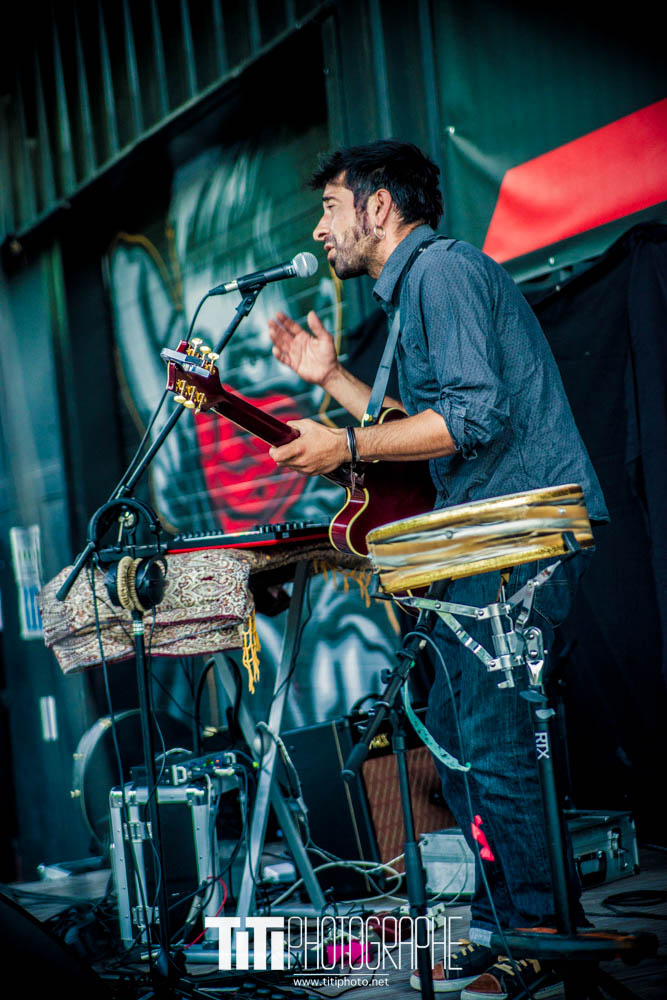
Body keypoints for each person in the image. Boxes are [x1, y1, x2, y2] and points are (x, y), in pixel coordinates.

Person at [266, 140, 608, 999]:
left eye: (330, 208)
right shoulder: (419, 286)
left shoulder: (442, 273)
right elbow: (415, 427)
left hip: (511, 535)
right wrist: (333, 379)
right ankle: (525, 922)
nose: (321, 227)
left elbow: (470, 418)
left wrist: (339, 446)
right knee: (460, 740)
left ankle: (534, 939)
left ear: (378, 208)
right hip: (482, 538)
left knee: (491, 741)